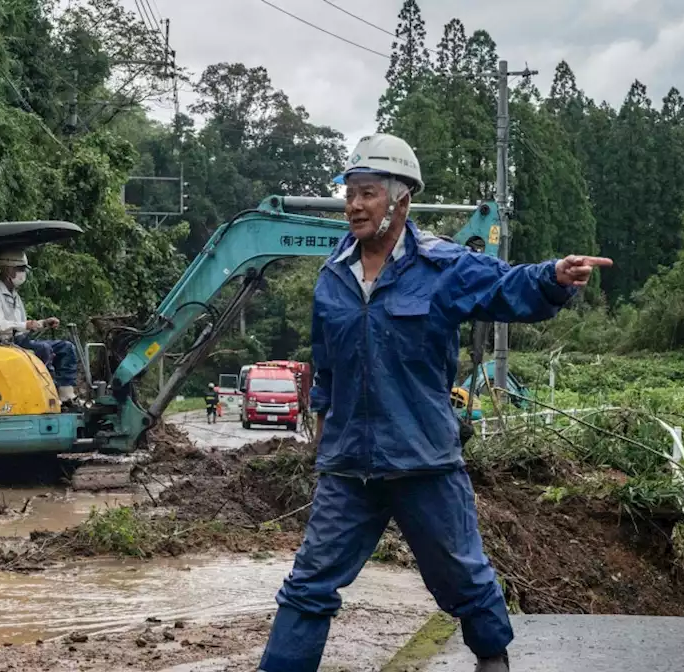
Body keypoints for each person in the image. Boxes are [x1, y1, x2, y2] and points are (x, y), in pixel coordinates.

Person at [257, 133, 612, 672]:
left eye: (367, 192)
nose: (353, 204)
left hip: (424, 460)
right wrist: (323, 427)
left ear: (400, 201)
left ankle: (493, 660)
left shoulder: (441, 266)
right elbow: (325, 360)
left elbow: (507, 286)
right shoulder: (332, 276)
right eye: (349, 191)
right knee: (308, 585)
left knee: (463, 577)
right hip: (349, 468)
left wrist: (553, 277)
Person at [0, 249, 80, 405]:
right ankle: (47, 394)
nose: (22, 274)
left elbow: (23, 325)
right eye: (19, 269)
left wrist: (43, 323)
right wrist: (24, 325)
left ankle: (66, 394)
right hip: (5, 345)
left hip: (20, 341)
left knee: (66, 348)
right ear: (7, 269)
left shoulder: (14, 296)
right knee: (44, 349)